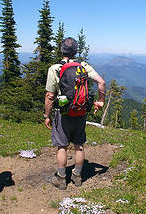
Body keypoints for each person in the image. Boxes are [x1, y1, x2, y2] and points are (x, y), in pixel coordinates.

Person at [44, 37, 106, 190]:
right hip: (80, 111)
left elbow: (50, 96)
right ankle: (77, 177)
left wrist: (47, 115)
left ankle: (61, 178)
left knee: (62, 146)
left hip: (63, 113)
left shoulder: (55, 68)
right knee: (79, 145)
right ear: (76, 51)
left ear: (62, 50)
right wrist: (100, 101)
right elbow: (102, 82)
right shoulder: (83, 66)